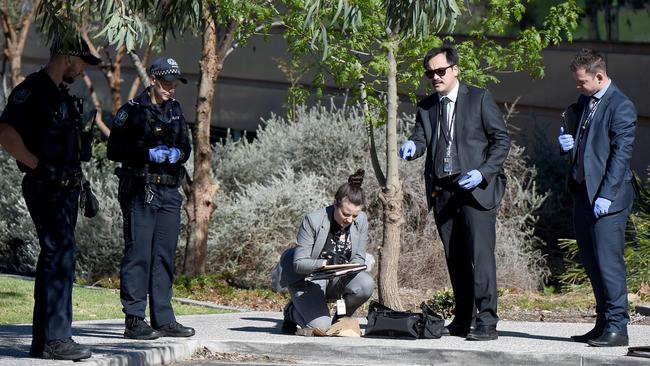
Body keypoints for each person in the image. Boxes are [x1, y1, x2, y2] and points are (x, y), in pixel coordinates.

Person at [399, 45, 510, 341]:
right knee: (456, 258)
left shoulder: (479, 98)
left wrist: (484, 172)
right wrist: (413, 146)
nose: (435, 77)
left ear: (455, 70)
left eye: (440, 71)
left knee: (481, 256)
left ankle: (487, 322)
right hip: (443, 190)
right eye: (430, 73)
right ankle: (463, 318)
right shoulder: (426, 107)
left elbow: (501, 141)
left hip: (475, 189)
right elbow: (421, 138)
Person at [0, 36, 100, 360]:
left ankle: (44, 341)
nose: (83, 70)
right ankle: (58, 339)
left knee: (54, 259)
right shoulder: (34, 89)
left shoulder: (62, 95)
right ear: (67, 56)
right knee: (61, 257)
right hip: (47, 187)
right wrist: (33, 162)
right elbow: (5, 132)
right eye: (82, 62)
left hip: (66, 190)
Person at [107, 57, 194, 340]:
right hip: (143, 190)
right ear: (153, 79)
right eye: (167, 82)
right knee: (139, 255)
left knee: (164, 256)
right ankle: (134, 320)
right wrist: (146, 154)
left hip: (170, 191)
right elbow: (114, 149)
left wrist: (178, 154)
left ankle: (163, 318)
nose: (171, 88)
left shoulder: (176, 110)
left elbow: (185, 147)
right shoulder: (132, 112)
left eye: (175, 83)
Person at [557, 48, 636, 347]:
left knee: (608, 263)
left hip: (608, 199)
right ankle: (603, 323)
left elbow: (620, 157)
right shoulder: (585, 102)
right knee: (591, 261)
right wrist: (567, 143)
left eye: (581, 82)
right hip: (582, 193)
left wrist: (606, 196)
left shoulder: (621, 106)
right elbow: (586, 143)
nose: (578, 87)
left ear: (599, 76)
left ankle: (618, 327)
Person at [272, 169, 375, 334]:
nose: (350, 220)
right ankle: (291, 312)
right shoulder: (312, 220)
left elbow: (359, 257)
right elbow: (299, 263)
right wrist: (325, 263)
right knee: (321, 327)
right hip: (308, 278)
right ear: (335, 203)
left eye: (354, 216)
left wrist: (349, 266)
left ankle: (340, 319)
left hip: (337, 277)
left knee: (366, 284)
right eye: (346, 214)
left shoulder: (360, 220)